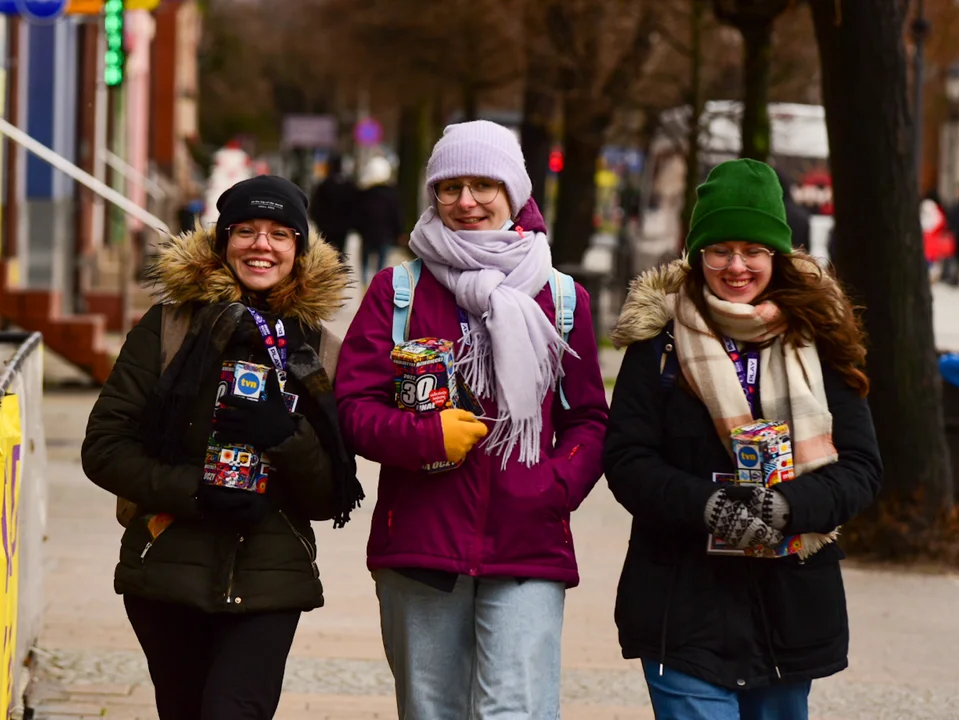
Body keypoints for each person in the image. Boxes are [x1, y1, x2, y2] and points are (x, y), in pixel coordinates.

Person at [335, 120, 609, 719]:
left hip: (528, 543)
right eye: (449, 186)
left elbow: (589, 419)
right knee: (432, 712)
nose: (466, 201)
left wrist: (553, 486)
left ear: (514, 192)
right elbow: (354, 408)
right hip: (421, 543)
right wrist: (424, 438)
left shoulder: (561, 299)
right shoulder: (397, 291)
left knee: (517, 712)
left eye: (484, 184)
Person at [604, 158, 882, 720]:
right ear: (696, 253)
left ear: (776, 254)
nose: (736, 266)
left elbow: (860, 468)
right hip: (681, 605)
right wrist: (709, 506)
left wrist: (786, 506)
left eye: (752, 250)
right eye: (720, 250)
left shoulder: (819, 341)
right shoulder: (657, 344)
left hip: (789, 609)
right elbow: (628, 461)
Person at [82, 175, 363, 720]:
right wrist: (198, 491)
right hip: (167, 568)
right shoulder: (169, 328)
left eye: (281, 234)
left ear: (300, 251)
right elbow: (104, 447)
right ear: (221, 240)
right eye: (247, 231)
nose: (263, 245)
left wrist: (285, 435)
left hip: (271, 578)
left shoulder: (320, 349)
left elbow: (333, 494)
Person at [355, 155, 404, 286]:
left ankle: (365, 287)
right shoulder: (392, 194)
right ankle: (377, 287)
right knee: (381, 266)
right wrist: (399, 232)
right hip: (385, 236)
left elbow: (357, 214)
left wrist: (360, 229)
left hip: (367, 235)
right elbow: (396, 215)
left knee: (365, 263)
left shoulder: (365, 194)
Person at [310, 152, 357, 259]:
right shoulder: (349, 186)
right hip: (343, 227)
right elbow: (354, 207)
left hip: (326, 226)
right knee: (340, 254)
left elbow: (316, 206)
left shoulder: (324, 185)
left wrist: (317, 221)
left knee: (325, 253)